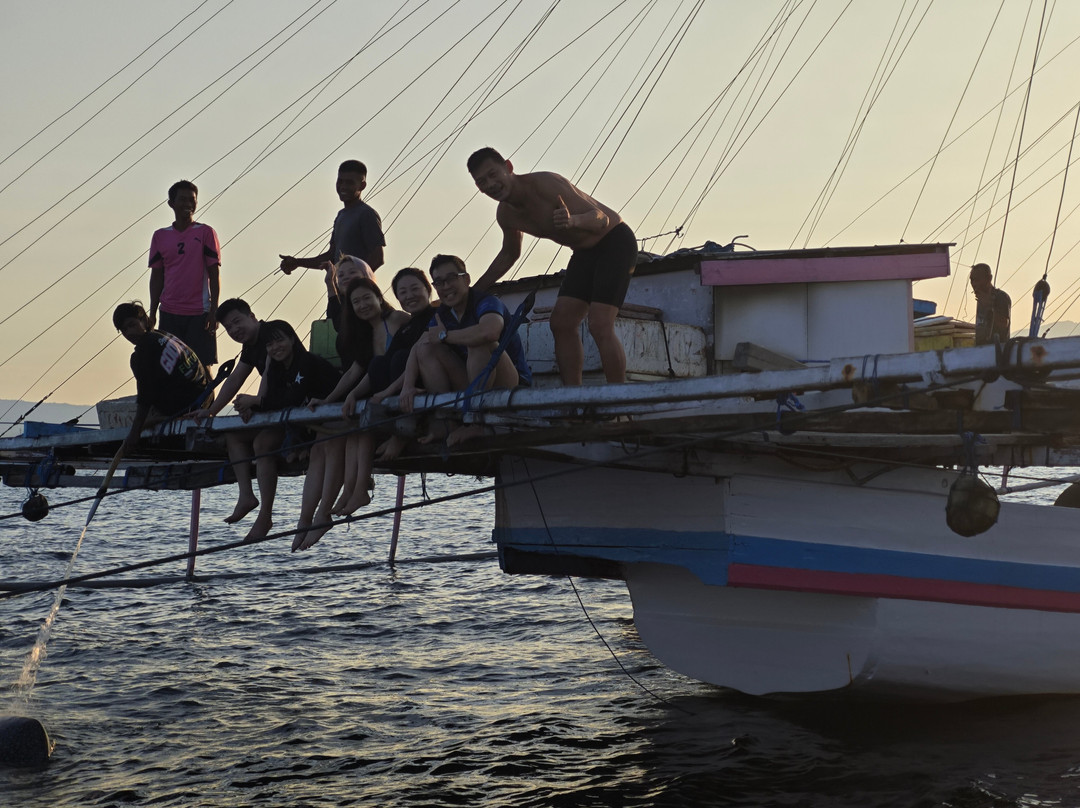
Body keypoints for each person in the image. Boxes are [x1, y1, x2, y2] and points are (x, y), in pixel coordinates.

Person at [467, 147, 637, 385]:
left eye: (494, 174)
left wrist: (573, 220)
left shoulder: (545, 183)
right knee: (561, 323)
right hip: (584, 253)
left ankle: (620, 399)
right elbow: (509, 255)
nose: (491, 184)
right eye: (482, 182)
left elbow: (601, 219)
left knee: (599, 323)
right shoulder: (506, 215)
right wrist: (473, 294)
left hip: (614, 240)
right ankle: (571, 399)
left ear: (508, 167)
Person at [295, 278, 409, 550]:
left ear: (378, 297)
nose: (362, 305)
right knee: (323, 441)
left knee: (353, 430)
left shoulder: (397, 320)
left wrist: (355, 396)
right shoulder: (365, 334)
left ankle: (351, 493)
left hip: (398, 393)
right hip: (376, 394)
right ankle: (308, 518)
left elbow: (410, 357)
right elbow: (356, 372)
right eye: (355, 302)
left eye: (366, 297)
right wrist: (331, 400)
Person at [397, 254, 531, 446]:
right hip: (473, 384)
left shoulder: (485, 302)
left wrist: (446, 336)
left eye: (451, 278)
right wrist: (406, 386)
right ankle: (447, 419)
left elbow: (490, 332)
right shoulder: (443, 313)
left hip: (510, 384)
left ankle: (477, 422)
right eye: (440, 282)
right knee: (426, 349)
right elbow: (418, 348)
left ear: (466, 279)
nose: (446, 287)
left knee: (478, 342)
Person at [249, 320, 341, 549]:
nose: (275, 347)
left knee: (324, 449)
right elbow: (275, 402)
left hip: (337, 415)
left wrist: (256, 401)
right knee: (267, 444)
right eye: (269, 344)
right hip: (312, 423)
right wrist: (268, 368)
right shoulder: (280, 369)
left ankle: (322, 515)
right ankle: (303, 520)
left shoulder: (307, 362)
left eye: (280, 340)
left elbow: (289, 399)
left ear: (292, 338)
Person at [192, 298, 278, 539]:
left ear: (252, 316)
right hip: (270, 409)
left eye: (237, 322)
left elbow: (273, 373)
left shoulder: (272, 331)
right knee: (234, 437)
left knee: (262, 444)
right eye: (228, 328)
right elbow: (235, 379)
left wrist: (257, 402)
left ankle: (265, 517)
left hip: (290, 406)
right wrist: (210, 410)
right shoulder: (250, 346)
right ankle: (246, 496)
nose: (234, 330)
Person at [113, 302, 211, 454]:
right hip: (204, 398)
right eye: (124, 330)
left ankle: (157, 419)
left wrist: (135, 432)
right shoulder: (163, 336)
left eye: (132, 325)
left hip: (186, 404)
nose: (129, 333)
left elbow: (145, 393)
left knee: (136, 361)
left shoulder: (145, 347)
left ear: (144, 321)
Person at [148, 180, 222, 368]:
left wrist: (214, 311)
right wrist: (153, 312)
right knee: (170, 367)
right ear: (171, 203)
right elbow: (157, 276)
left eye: (192, 200)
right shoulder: (160, 236)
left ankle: (208, 399)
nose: (188, 204)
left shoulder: (206, 233)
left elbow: (214, 273)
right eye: (182, 199)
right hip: (169, 311)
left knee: (202, 366)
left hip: (199, 312)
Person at [278, 160, 385, 280]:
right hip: (338, 292)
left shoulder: (366, 214)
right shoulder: (341, 216)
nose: (343, 186)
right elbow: (331, 257)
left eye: (349, 183)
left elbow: (378, 258)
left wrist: (357, 284)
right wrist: (297, 262)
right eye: (340, 181)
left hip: (356, 294)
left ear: (362, 186)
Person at [970, 263, 1011, 345]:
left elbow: (1004, 324)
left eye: (977, 280)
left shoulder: (1001, 297)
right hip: (981, 350)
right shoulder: (980, 300)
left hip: (996, 350)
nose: (974, 284)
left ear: (989, 278)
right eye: (972, 280)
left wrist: (988, 307)